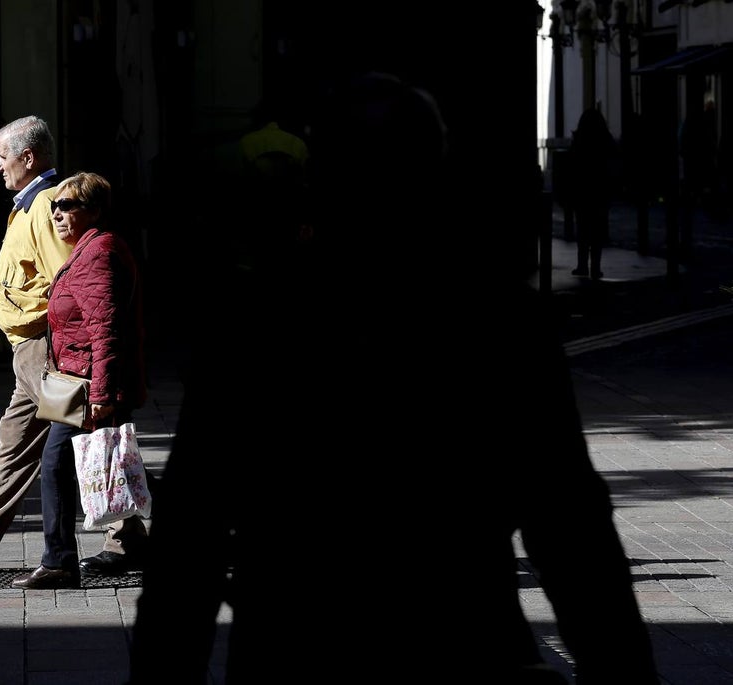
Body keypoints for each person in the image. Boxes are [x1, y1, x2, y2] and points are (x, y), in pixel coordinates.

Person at [127, 72, 658, 684]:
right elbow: (570, 528)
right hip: (459, 642)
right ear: (437, 175)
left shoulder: (259, 321)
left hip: (295, 645)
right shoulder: (499, 320)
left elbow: (191, 532)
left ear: (319, 178)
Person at [0, 116, 146, 575]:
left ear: (28, 157)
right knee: (20, 440)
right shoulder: (30, 203)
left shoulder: (48, 203)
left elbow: (78, 280)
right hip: (31, 349)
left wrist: (81, 367)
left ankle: (119, 540)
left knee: (83, 440)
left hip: (44, 349)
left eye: (4, 156)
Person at [12, 171, 148, 590]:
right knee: (115, 464)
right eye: (55, 206)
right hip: (84, 382)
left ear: (94, 211)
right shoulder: (88, 249)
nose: (56, 213)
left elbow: (105, 328)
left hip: (89, 387)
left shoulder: (97, 253)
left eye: (67, 206)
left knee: (57, 466)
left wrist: (103, 396)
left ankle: (58, 562)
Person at [569, 107, 617, 279]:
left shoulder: (579, 141)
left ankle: (582, 265)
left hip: (583, 191)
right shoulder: (606, 141)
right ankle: (595, 267)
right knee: (597, 231)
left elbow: (572, 167)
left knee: (582, 230)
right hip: (600, 192)